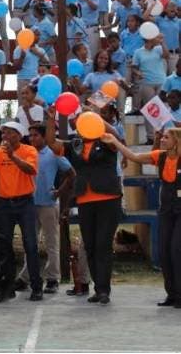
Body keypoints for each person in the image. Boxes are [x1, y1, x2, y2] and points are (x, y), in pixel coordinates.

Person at [46, 108, 121, 304]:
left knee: (103, 245)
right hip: (85, 200)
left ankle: (104, 289)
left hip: (108, 199)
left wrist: (97, 118)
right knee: (90, 246)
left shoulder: (105, 141)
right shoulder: (75, 145)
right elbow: (51, 143)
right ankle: (98, 288)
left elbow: (118, 137)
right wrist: (50, 120)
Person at [102, 129, 181, 307]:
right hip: (167, 210)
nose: (162, 139)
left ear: (176, 141)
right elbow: (134, 156)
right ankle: (172, 294)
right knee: (164, 252)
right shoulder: (160, 156)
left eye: (167, 137)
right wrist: (114, 141)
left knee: (177, 250)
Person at [0, 121, 42, 300]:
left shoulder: (29, 151)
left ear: (19, 136)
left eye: (10, 133)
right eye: (4, 133)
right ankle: (6, 286)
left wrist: (13, 157)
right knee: (3, 246)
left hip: (25, 203)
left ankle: (36, 286)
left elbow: (31, 170)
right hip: (4, 203)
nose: (5, 136)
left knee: (30, 245)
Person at [16, 125, 75, 294]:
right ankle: (26, 276)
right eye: (30, 135)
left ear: (44, 137)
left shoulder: (53, 153)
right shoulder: (27, 152)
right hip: (28, 203)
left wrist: (59, 191)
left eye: (36, 135)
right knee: (29, 242)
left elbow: (71, 173)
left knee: (51, 242)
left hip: (48, 203)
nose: (32, 139)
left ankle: (52, 278)